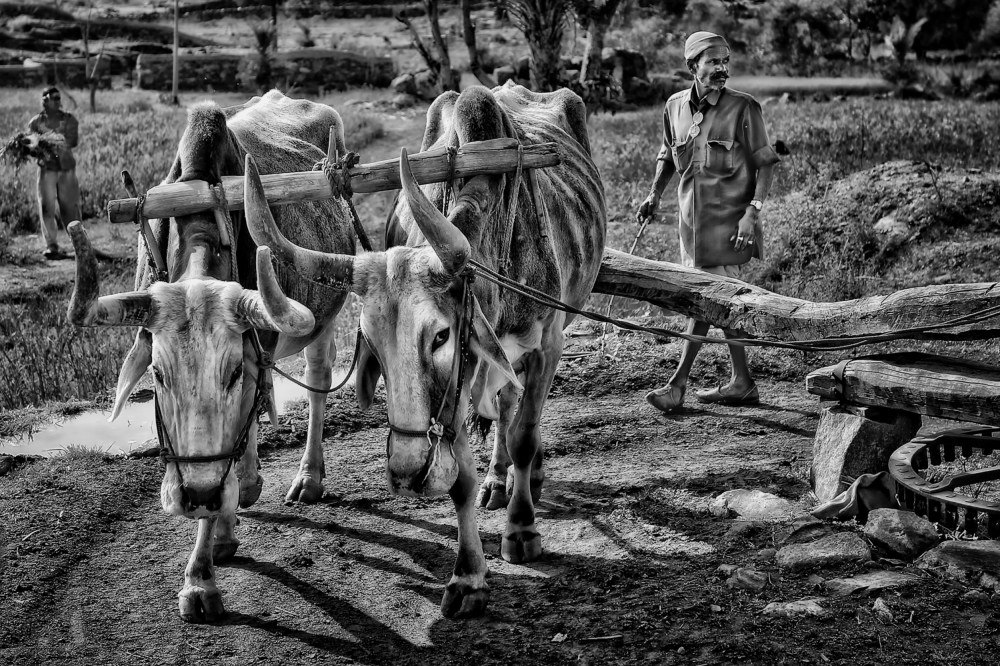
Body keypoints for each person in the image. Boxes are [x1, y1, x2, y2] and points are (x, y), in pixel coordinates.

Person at [636, 31, 780, 414]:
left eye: (725, 61)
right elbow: (668, 155)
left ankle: (677, 384)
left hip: (731, 223)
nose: (722, 69)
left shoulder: (744, 108)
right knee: (719, 302)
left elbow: (765, 163)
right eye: (713, 61)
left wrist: (754, 212)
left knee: (706, 302)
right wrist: (654, 195)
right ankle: (742, 382)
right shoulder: (674, 107)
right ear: (692, 67)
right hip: (691, 226)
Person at [27, 86, 81, 260]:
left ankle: (80, 245)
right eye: (54, 98)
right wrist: (32, 147)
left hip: (66, 169)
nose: (58, 100)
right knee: (46, 207)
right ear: (45, 100)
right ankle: (51, 246)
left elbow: (73, 140)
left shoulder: (69, 119)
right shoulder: (35, 122)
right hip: (46, 169)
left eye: (59, 98)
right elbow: (31, 148)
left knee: (70, 208)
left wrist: (54, 141)